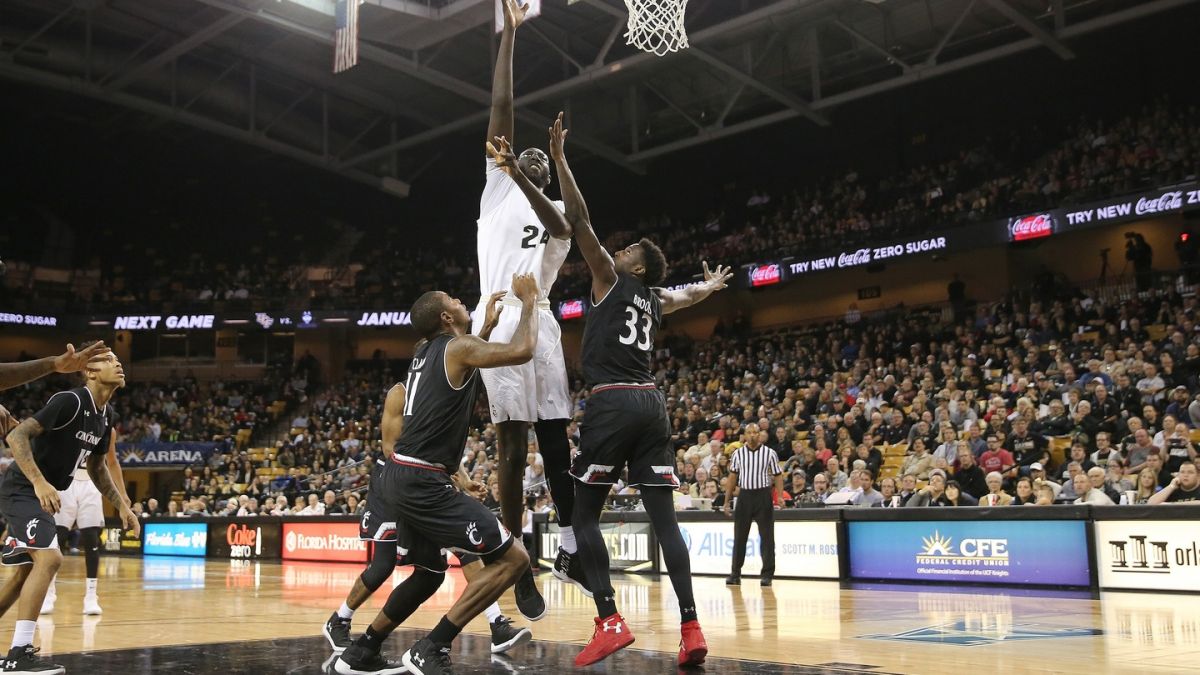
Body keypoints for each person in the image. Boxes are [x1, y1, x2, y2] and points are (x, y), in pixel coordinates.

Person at [523, 113, 731, 668]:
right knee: (666, 523)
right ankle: (690, 629)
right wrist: (708, 286)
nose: (617, 250)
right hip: (651, 404)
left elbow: (581, 219)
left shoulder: (613, 280)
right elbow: (685, 297)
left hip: (613, 399)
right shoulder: (653, 297)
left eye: (628, 249)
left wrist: (562, 159)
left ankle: (610, 620)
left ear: (635, 263)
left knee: (583, 517)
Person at [333, 274, 541, 675]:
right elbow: (524, 349)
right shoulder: (457, 347)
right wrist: (530, 301)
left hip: (401, 477)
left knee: (429, 573)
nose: (461, 298)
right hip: (423, 481)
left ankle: (362, 652)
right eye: (453, 298)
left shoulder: (426, 351)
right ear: (447, 316)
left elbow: (460, 369)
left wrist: (484, 328)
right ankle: (431, 647)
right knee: (514, 559)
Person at [475, 0, 585, 618]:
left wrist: (531, 173)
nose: (530, 159)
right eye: (523, 156)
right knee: (512, 452)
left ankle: (566, 544)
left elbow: (562, 219)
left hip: (539, 320)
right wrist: (510, 38)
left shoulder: (553, 218)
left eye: (541, 162)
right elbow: (501, 112)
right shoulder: (497, 187)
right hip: (498, 316)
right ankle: (513, 563)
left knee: (556, 443)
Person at [1, 349, 139, 674]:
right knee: (50, 558)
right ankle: (18, 654)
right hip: (24, 488)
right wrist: (38, 482)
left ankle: (15, 653)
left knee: (25, 573)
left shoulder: (106, 416)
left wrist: (122, 506)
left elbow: (98, 467)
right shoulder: (71, 400)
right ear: (90, 372)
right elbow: (17, 434)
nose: (118, 364)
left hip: (41, 493)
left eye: (120, 360)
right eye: (109, 360)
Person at [42, 420, 131, 616]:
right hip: (66, 481)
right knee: (57, 539)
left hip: (92, 483)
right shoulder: (71, 419)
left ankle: (91, 596)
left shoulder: (108, 429)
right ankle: (49, 593)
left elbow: (112, 462)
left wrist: (122, 494)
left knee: (91, 540)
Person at [723, 424, 783, 587]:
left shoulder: (769, 453)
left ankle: (767, 575)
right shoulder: (738, 454)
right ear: (744, 435)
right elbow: (732, 478)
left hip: (763, 495)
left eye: (755, 432)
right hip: (745, 496)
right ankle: (735, 574)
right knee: (739, 537)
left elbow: (778, 475)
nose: (752, 435)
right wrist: (726, 500)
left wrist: (780, 495)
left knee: (767, 537)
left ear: (760, 434)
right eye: (749, 433)